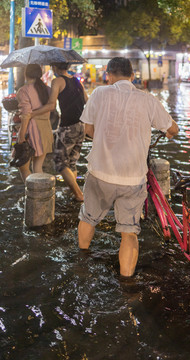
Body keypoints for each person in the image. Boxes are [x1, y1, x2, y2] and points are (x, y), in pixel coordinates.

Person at [78, 57, 179, 277]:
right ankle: (127, 283)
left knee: (88, 217)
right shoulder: (148, 100)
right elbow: (173, 129)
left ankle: (81, 261)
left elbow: (88, 128)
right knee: (129, 233)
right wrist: (169, 132)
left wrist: (105, 141)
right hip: (133, 179)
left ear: (109, 75)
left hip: (100, 174)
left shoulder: (99, 94)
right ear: (132, 76)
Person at [31, 62, 88, 202]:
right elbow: (86, 100)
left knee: (60, 162)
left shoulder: (57, 81)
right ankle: (73, 193)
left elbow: (51, 105)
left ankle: (79, 194)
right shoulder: (76, 81)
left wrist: (32, 113)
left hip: (68, 126)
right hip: (81, 126)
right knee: (72, 163)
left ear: (54, 67)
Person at [16, 64, 54, 182]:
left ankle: (32, 193)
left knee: (23, 167)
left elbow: (26, 115)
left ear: (26, 74)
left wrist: (21, 136)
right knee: (37, 167)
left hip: (30, 130)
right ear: (40, 74)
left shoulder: (23, 91)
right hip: (45, 129)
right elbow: (52, 107)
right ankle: (40, 195)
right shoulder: (47, 89)